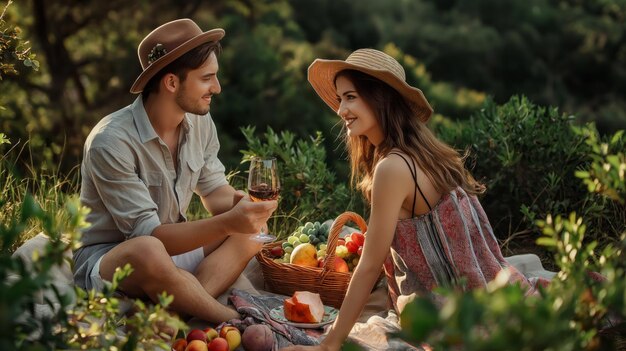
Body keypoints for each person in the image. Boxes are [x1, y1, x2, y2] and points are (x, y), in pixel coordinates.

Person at [281, 49, 546, 350]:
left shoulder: (392, 168)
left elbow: (369, 265)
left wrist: (329, 346)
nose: (341, 110)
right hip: (483, 299)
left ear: (380, 98)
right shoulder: (424, 154)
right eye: (341, 99)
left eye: (351, 97)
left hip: (451, 319)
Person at [72, 19, 277, 323]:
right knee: (147, 250)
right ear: (171, 83)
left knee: (253, 235)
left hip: (171, 249)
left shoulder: (200, 123)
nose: (217, 88)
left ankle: (172, 313)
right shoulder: (110, 142)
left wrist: (241, 206)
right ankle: (233, 319)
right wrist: (227, 223)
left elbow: (213, 190)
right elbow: (151, 235)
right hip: (114, 260)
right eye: (207, 78)